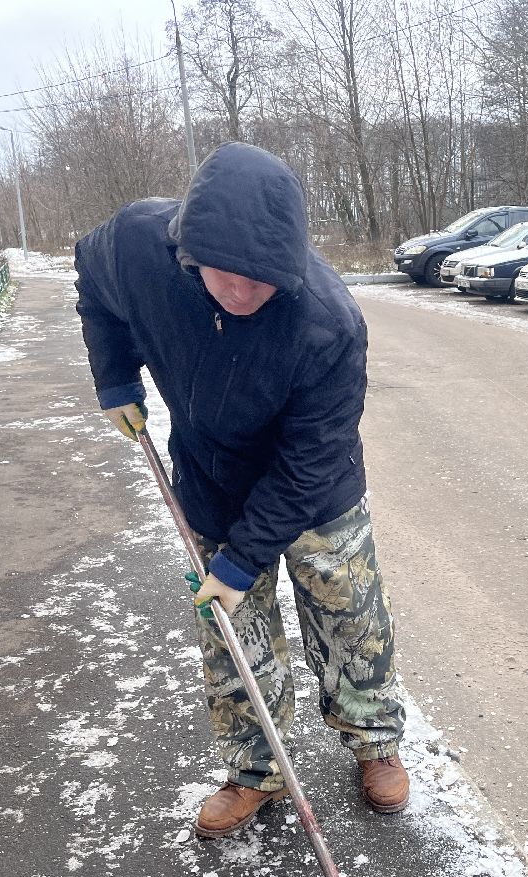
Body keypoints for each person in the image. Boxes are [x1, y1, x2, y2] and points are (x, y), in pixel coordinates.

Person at [74, 142, 410, 839]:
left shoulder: (327, 323)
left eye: (260, 282)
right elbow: (92, 284)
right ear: (187, 254)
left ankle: (375, 742)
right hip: (211, 478)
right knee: (231, 632)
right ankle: (256, 773)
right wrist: (115, 377)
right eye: (224, 277)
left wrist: (242, 558)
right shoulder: (139, 245)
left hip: (316, 491)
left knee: (350, 619)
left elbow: (308, 461)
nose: (239, 294)